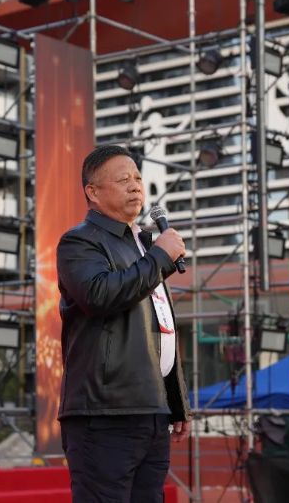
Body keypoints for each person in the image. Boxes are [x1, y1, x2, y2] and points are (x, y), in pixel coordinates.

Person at [56, 144, 191, 503]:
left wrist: (176, 401)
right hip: (104, 413)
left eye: (137, 178)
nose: (135, 186)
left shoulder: (144, 249)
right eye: (122, 180)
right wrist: (160, 256)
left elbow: (161, 329)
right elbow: (99, 295)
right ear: (93, 192)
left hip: (151, 411)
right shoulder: (79, 241)